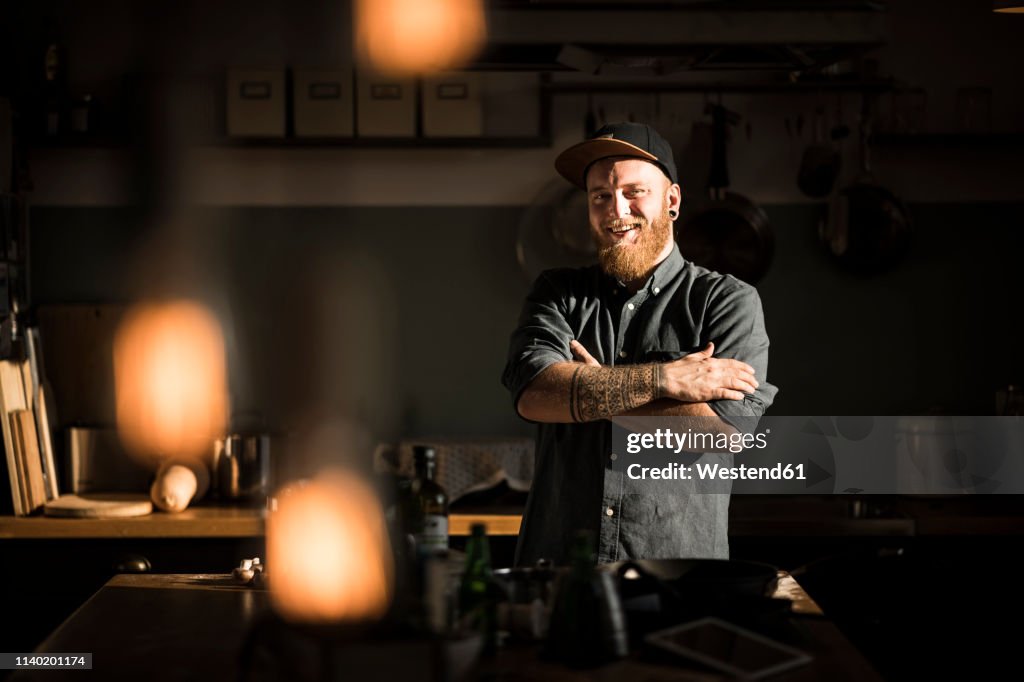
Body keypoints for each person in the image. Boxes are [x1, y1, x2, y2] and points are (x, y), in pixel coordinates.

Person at [502, 122, 778, 566]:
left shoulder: (726, 300)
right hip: (560, 567)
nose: (616, 210)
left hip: (678, 569)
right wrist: (664, 379)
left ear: (671, 200)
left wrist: (587, 389)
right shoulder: (557, 292)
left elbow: (720, 434)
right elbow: (535, 395)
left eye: (634, 192)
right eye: (600, 196)